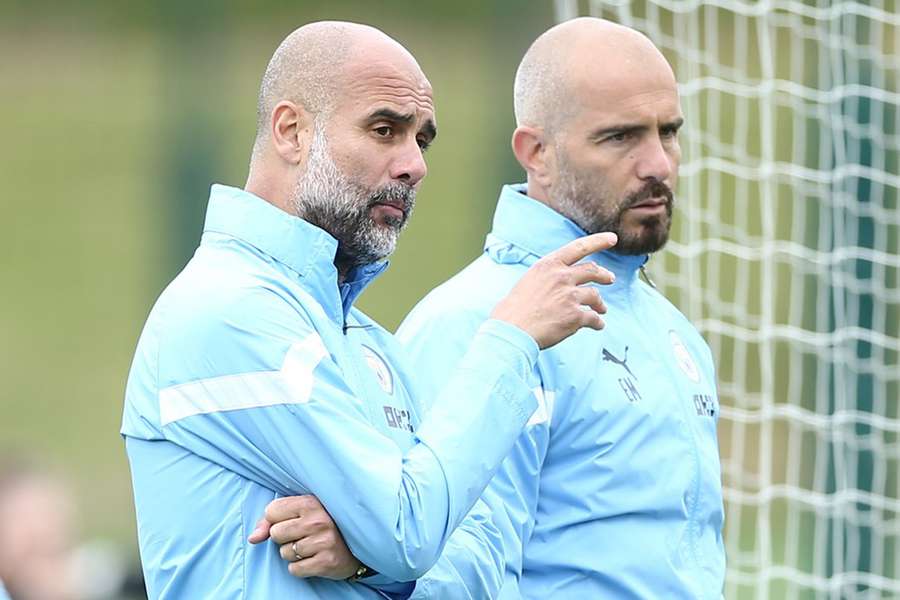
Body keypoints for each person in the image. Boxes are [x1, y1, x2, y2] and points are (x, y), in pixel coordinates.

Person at [121, 20, 618, 599]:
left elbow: (480, 563)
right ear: (291, 132)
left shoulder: (371, 344)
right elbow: (409, 529)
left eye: (422, 140)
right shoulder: (225, 309)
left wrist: (362, 557)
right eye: (385, 129)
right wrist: (509, 337)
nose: (415, 165)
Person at [266, 17, 726, 599]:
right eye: (621, 137)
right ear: (536, 153)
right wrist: (367, 560)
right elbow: (440, 559)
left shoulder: (672, 332)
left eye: (669, 132)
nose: (658, 163)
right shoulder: (475, 322)